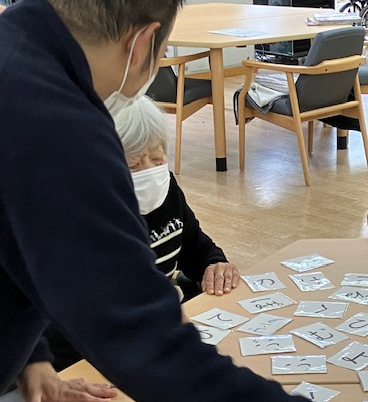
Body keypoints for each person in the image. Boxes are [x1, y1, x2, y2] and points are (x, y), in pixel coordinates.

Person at [0, 0, 368, 402]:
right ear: (142, 43)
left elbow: (18, 233)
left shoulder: (14, 48)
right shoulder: (60, 126)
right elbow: (136, 331)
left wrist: (31, 355)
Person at [43, 96, 241, 371]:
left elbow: (196, 247)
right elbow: (67, 321)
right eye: (134, 165)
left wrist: (215, 265)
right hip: (86, 358)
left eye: (158, 158)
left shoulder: (165, 188)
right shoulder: (79, 221)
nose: (150, 172)